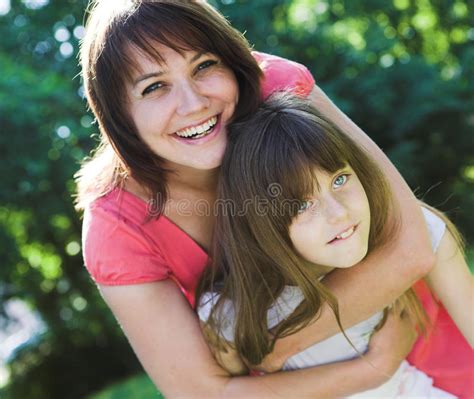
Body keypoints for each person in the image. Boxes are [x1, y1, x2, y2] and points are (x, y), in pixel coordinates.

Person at [74, 0, 466, 397]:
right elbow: (202, 392)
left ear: (231, 60)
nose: (193, 104)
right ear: (118, 116)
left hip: (412, 329)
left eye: (204, 66)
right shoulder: (116, 225)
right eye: (154, 86)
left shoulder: (276, 88)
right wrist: (375, 369)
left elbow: (412, 245)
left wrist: (269, 347)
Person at [197, 93, 473, 397]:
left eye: (340, 180)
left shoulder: (412, 235)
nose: (338, 213)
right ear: (261, 224)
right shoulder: (231, 312)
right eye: (301, 204)